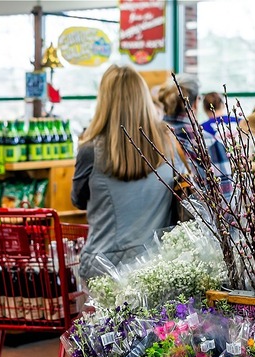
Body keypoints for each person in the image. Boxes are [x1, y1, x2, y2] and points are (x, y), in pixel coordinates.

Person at [71, 65, 178, 281]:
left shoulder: (90, 150)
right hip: (158, 265)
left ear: (104, 101)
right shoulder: (167, 142)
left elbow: (78, 200)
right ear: (144, 98)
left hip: (105, 267)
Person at [158, 75, 234, 200]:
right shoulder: (207, 142)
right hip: (192, 216)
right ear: (195, 103)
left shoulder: (147, 137)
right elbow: (225, 196)